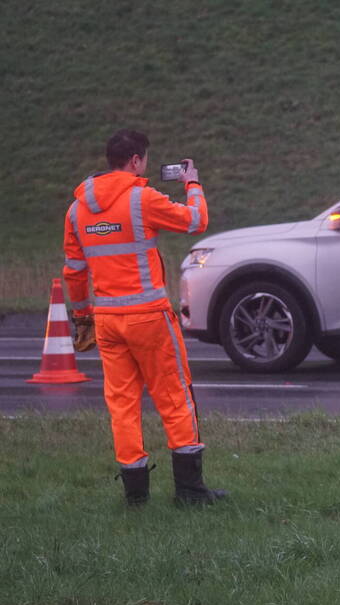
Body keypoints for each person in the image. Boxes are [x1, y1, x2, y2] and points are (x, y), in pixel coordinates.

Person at [62, 129, 228, 504]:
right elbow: (196, 221)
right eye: (145, 161)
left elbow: (74, 270)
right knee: (174, 397)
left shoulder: (77, 209)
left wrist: (83, 316)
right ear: (136, 160)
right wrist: (193, 183)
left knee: (122, 405)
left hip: (106, 321)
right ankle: (189, 491)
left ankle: (136, 496)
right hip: (149, 318)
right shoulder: (141, 198)